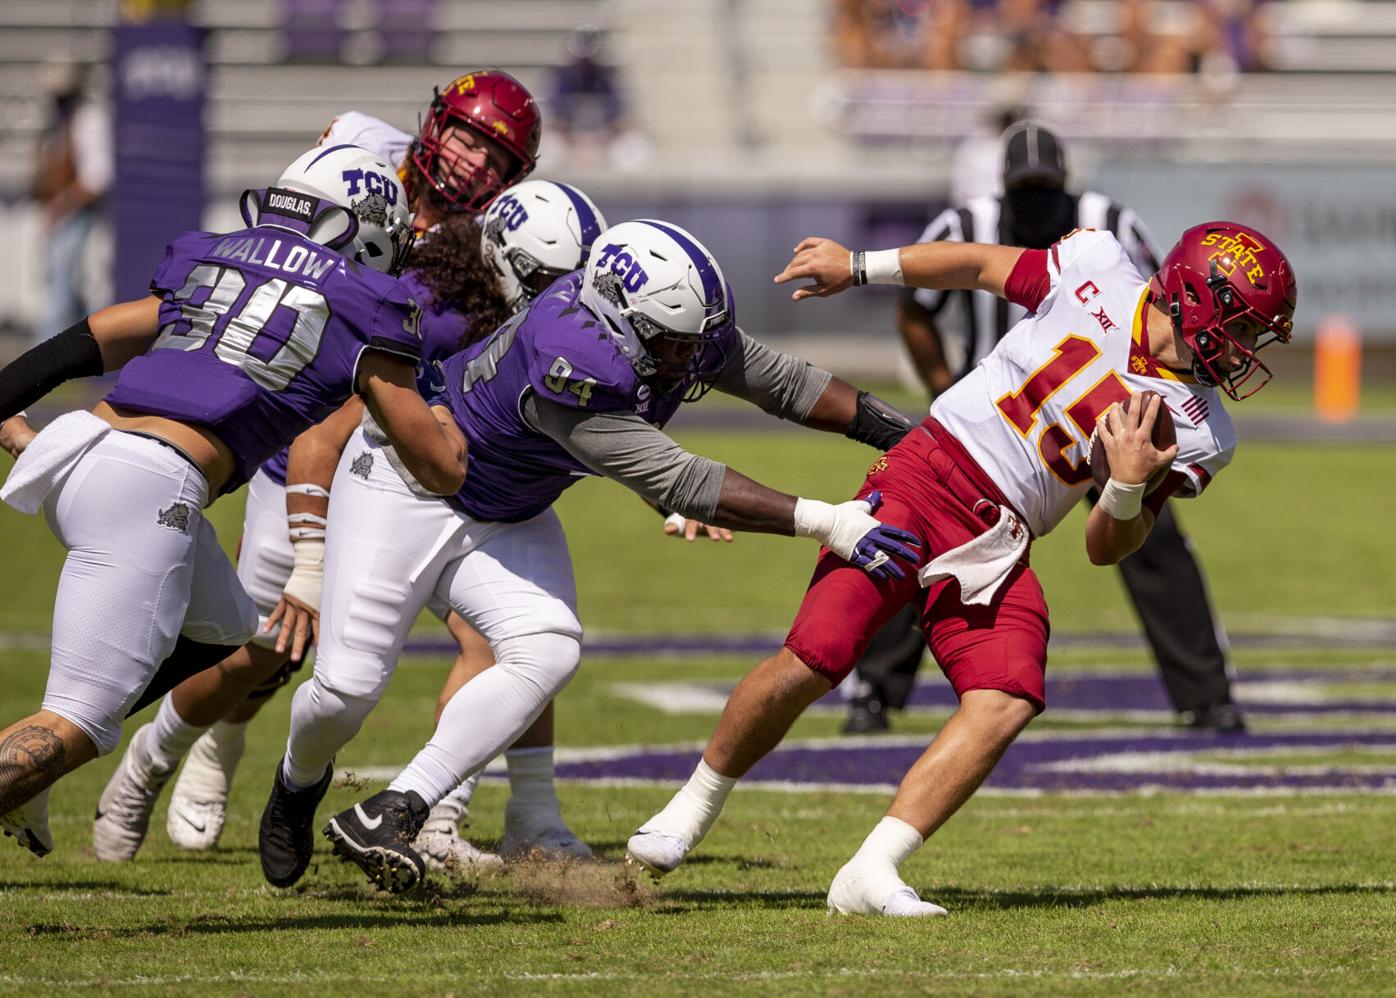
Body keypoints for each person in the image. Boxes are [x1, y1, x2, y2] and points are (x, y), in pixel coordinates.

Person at [627, 219, 1296, 916]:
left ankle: (871, 870)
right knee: (819, 652)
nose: (1248, 351)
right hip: (927, 474)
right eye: (1246, 329)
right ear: (1197, 297)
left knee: (1006, 693)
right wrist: (858, 265)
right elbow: (978, 264)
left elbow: (1105, 547)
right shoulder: (1096, 267)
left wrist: (1124, 489)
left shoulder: (1199, 427)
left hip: (999, 536)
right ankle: (691, 808)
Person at [260, 218, 922, 893]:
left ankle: (397, 808)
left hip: (504, 511)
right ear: (616, 319)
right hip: (402, 488)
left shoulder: (674, 324)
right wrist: (828, 521)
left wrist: (906, 435)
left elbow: (782, 381)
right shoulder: (570, 356)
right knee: (346, 691)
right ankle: (297, 779)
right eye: (672, 347)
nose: (688, 361)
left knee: (548, 647)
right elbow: (678, 481)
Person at [87, 71, 596, 870]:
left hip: (401, 458)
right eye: (465, 137)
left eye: (493, 156)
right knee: (260, 651)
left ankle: (449, 816)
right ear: (432, 127)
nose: (470, 164)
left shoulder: (491, 250)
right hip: (300, 437)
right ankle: (163, 754)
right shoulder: (356, 167)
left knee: (505, 639)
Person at [0, 143, 468, 857]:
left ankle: (30, 783)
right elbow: (441, 471)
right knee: (80, 724)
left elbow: (86, 341)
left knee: (224, 625)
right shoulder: (363, 302)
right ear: (365, 225)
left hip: (84, 452)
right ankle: (37, 768)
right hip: (151, 488)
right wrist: (444, 412)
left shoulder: (215, 256)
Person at [847, 120, 1244, 735]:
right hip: (1006, 415)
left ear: (1067, 186)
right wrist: (942, 383)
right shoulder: (969, 222)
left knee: (1155, 545)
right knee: (925, 528)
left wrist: (1131, 474)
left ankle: (1206, 692)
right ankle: (875, 688)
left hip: (1114, 425)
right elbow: (921, 307)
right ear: (1003, 188)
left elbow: (1161, 310)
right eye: (1024, 190)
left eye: (1046, 189)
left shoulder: (1108, 229)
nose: (1036, 202)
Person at [31, 58, 112, 343]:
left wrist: (62, 205)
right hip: (63, 213)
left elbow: (97, 176)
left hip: (80, 213)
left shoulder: (88, 119)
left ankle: (50, 354)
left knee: (70, 286)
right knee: (62, 283)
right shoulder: (60, 121)